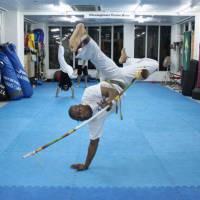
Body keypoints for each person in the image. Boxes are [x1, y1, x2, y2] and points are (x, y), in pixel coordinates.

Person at [68, 23, 158, 171]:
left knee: (101, 60)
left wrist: (109, 101)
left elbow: (112, 92)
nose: (80, 112)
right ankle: (126, 60)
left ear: (80, 104)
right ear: (81, 120)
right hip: (125, 82)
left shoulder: (88, 94)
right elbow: (93, 143)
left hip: (112, 79)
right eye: (78, 115)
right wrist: (86, 165)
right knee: (154, 64)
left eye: (77, 108)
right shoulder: (92, 122)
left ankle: (84, 39)